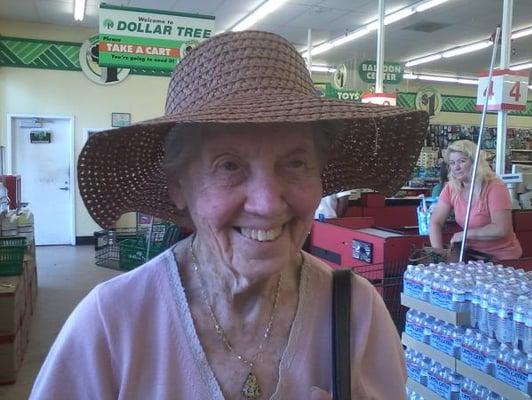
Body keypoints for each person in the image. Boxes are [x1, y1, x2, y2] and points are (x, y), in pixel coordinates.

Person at [31, 31, 428, 399]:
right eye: (229, 166)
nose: (268, 204)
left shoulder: (355, 312)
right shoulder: (111, 324)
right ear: (179, 187)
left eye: (294, 163)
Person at [429, 140, 522, 261]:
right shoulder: (451, 188)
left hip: (502, 259)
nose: (456, 167)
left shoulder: (495, 187)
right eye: (452, 163)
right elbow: (435, 222)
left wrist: (465, 234)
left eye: (462, 161)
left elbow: (501, 229)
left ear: (475, 163)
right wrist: (438, 254)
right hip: (471, 256)